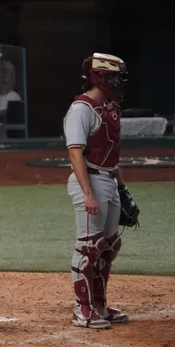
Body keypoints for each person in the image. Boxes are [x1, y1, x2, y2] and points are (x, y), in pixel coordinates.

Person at [63, 52, 131, 329]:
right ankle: (83, 308)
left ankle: (100, 304)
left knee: (110, 246)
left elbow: (113, 155)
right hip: (90, 181)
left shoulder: (110, 109)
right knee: (90, 246)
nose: (118, 84)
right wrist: (88, 192)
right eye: (114, 78)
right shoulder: (81, 109)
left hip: (110, 180)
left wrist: (123, 188)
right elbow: (75, 153)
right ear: (100, 78)